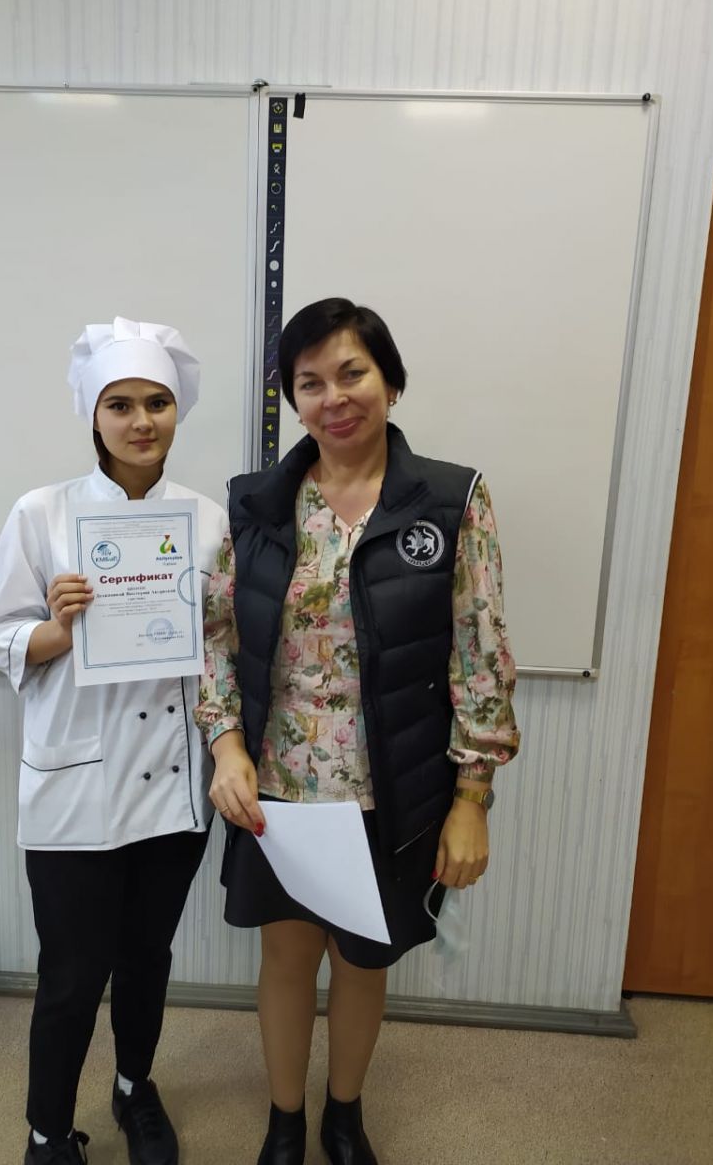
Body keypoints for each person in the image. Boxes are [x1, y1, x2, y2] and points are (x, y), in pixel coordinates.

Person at [195, 297, 521, 1165]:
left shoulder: (450, 500)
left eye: (352, 374)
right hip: (277, 785)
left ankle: (344, 1115)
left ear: (391, 382)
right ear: (293, 401)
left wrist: (472, 797)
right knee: (286, 958)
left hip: (392, 784)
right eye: (310, 383)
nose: (333, 397)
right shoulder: (257, 504)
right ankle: (284, 1121)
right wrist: (225, 744)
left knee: (364, 960)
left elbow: (482, 652)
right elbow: (216, 637)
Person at [0, 317, 227, 1165]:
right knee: (73, 975)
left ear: (178, 410)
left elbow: (220, 651)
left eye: (157, 402)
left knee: (147, 956)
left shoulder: (209, 521)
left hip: (172, 784)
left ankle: (133, 1088)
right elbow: (0, 636)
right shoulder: (41, 513)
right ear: (93, 413)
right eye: (120, 404)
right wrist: (57, 628)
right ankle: (48, 1131)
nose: (141, 420)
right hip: (76, 786)